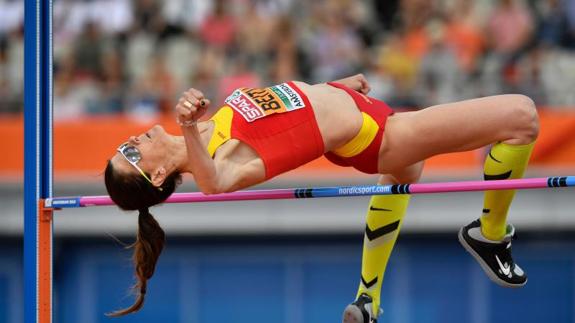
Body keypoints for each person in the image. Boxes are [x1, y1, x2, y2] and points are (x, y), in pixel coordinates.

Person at [104, 74, 539, 322]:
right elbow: (214, 184)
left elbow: (289, 108)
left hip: (366, 111)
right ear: (158, 174)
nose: (130, 141)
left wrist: (335, 88)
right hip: (383, 136)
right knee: (521, 117)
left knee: (404, 177)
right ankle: (489, 233)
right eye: (130, 154)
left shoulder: (211, 127)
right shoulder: (218, 157)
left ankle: (368, 297)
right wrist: (184, 128)